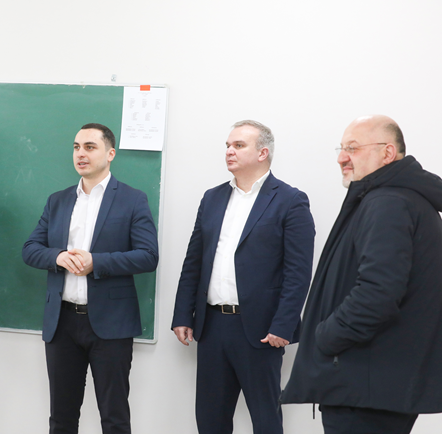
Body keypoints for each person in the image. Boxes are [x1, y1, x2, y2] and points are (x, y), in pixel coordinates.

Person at [281, 115, 442, 434]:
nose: (342, 157)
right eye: (341, 148)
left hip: (365, 387)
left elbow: (378, 294)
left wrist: (326, 337)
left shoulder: (388, 202)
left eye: (353, 148)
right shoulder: (401, 199)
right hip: (377, 384)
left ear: (387, 153)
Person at [172, 120, 315, 434]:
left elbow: (298, 272)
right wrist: (183, 314)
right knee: (210, 420)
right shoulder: (212, 198)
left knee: (265, 420)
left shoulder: (290, 200)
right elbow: (193, 262)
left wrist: (283, 325)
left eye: (238, 145)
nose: (229, 151)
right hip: (211, 326)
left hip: (261, 329)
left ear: (263, 153)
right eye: (227, 145)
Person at [22, 123, 158, 434]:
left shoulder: (132, 199)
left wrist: (96, 262)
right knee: (61, 418)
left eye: (89, 147)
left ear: (110, 154)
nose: (80, 154)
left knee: (114, 417)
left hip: (111, 324)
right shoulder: (58, 200)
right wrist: (58, 257)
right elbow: (30, 249)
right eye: (76, 147)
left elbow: (148, 256)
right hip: (62, 323)